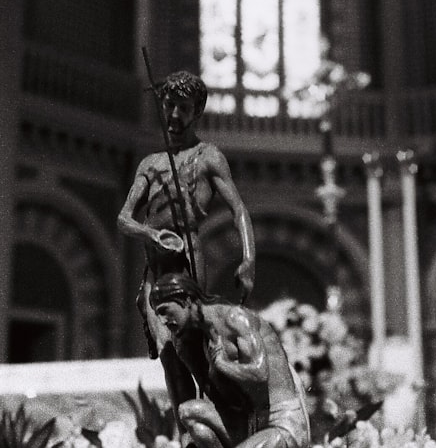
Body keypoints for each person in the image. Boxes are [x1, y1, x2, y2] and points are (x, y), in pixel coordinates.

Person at [116, 70, 255, 412]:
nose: (174, 115)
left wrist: (249, 259)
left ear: (197, 111)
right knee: (167, 352)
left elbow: (238, 209)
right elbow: (123, 219)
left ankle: (222, 417)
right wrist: (149, 233)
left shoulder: (208, 157)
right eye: (168, 105)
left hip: (187, 262)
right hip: (155, 268)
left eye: (183, 107)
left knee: (189, 349)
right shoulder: (151, 164)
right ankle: (187, 432)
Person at [149, 272, 310, 448]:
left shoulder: (234, 319)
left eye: (165, 311)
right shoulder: (199, 339)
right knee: (189, 412)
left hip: (281, 423)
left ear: (186, 301)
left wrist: (221, 364)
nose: (163, 321)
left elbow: (259, 373)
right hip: (249, 424)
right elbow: (223, 401)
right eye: (158, 315)